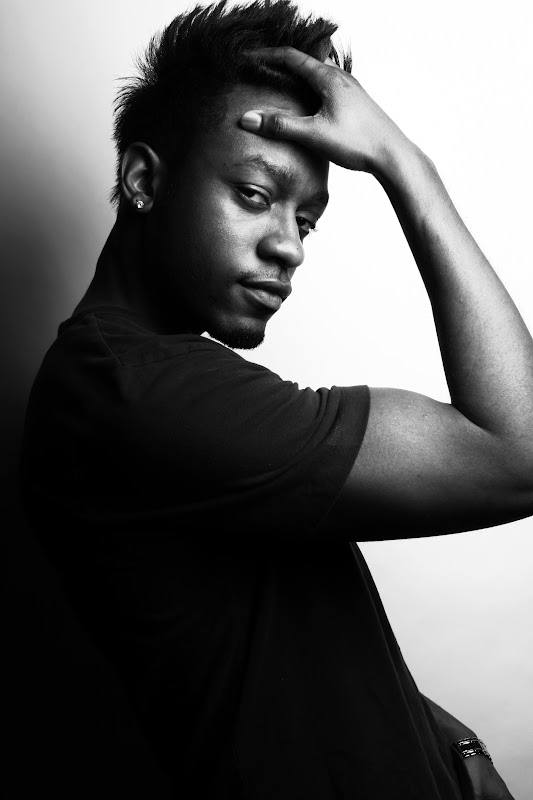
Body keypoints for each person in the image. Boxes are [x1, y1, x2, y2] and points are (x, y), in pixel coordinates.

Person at [20, 0, 530, 797]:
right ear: (145, 179)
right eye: (256, 195)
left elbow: (288, 644)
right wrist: (404, 164)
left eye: (307, 221)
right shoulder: (133, 390)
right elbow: (519, 454)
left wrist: (452, 749)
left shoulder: (152, 381)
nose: (288, 246)